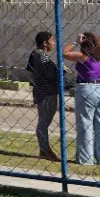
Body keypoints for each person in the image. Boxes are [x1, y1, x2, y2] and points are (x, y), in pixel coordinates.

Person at [63, 32, 100, 165]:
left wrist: (76, 42)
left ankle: (85, 158)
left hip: (86, 89)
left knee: (85, 124)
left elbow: (64, 53)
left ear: (84, 43)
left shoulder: (83, 56)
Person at [26, 32, 62, 162]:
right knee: (44, 122)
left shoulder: (37, 55)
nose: (54, 43)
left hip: (42, 91)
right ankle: (44, 149)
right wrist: (60, 71)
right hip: (46, 92)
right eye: (52, 41)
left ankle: (44, 149)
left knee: (44, 121)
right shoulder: (40, 56)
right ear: (45, 43)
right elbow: (48, 75)